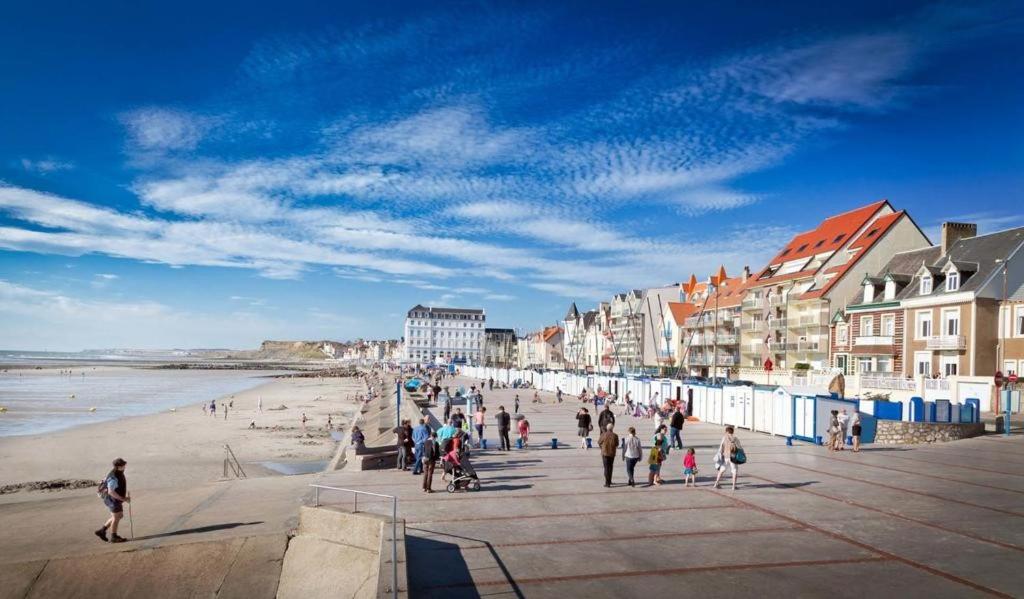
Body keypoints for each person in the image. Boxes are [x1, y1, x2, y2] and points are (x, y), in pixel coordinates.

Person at [95, 458, 130, 543]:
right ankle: (114, 537)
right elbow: (111, 491)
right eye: (123, 465)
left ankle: (102, 530)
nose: (124, 466)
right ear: (118, 466)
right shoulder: (114, 477)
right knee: (116, 517)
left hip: (114, 498)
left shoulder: (117, 472)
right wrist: (123, 499)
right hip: (111, 499)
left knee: (119, 515)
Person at [714, 425, 742, 490]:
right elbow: (739, 447)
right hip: (733, 457)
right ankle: (733, 486)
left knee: (722, 469)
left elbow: (721, 447)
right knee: (734, 471)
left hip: (726, 457)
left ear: (726, 431)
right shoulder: (735, 438)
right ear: (732, 431)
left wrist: (720, 454)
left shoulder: (724, 438)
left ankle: (716, 483)